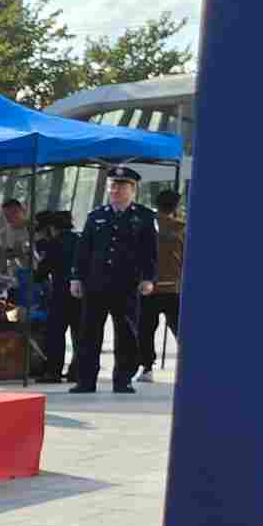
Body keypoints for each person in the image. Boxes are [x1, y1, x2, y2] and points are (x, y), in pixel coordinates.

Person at [70, 167, 158, 395]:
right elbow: (84, 250)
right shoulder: (96, 215)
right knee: (89, 333)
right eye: (113, 186)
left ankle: (123, 380)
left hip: (127, 284)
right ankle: (85, 380)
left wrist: (148, 278)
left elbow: (150, 251)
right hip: (96, 283)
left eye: (121, 186)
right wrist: (76, 278)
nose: (115, 190)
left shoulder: (144, 217)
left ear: (133, 189)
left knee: (126, 334)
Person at [139, 184, 184, 382]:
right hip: (174, 288)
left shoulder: (145, 227)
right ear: (176, 206)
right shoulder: (183, 228)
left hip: (148, 287)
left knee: (145, 330)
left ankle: (147, 368)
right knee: (181, 330)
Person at [30, 209, 80, 383]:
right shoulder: (79, 239)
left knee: (55, 334)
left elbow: (40, 274)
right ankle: (77, 371)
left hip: (61, 294)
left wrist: (36, 262)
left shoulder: (54, 244)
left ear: (51, 228)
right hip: (81, 294)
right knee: (78, 334)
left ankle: (53, 371)